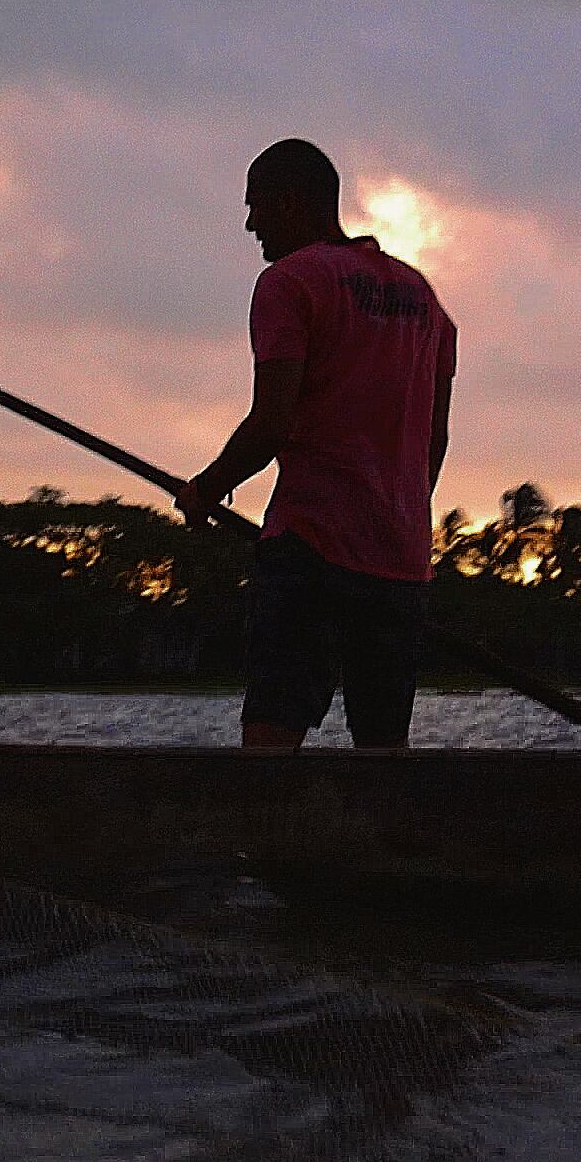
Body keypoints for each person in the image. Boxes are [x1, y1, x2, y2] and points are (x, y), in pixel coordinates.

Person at [177, 138, 457, 748]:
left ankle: (267, 844)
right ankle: (383, 844)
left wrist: (207, 490)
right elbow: (433, 440)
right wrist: (396, 514)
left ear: (290, 202)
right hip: (400, 561)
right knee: (384, 747)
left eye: (256, 207)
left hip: (310, 551)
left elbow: (272, 421)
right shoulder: (425, 301)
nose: (250, 224)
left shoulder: (289, 284)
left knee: (272, 738)